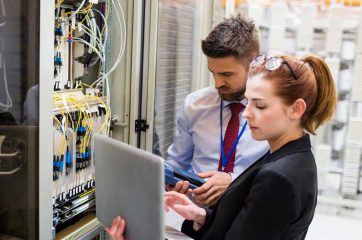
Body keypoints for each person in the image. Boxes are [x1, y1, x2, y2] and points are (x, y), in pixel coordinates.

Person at [106, 54, 337, 239]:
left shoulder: (279, 177)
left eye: (260, 106)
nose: (246, 113)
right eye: (248, 102)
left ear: (296, 109)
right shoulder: (289, 156)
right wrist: (200, 216)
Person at [165, 14, 268, 206]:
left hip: (246, 216)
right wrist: (172, 183)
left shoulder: (273, 113)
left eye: (226, 74)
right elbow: (176, 163)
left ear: (254, 64)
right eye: (212, 72)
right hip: (192, 214)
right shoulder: (194, 105)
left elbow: (284, 176)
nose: (218, 83)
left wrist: (234, 181)